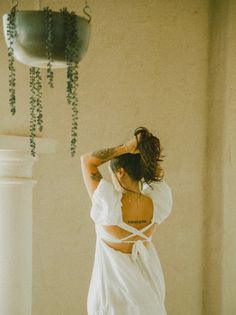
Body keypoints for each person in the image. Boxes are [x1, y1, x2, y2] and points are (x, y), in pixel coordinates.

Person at [80, 126, 173, 315]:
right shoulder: (157, 202)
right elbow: (153, 175)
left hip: (111, 303)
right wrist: (144, 153)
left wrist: (126, 147)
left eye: (112, 173)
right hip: (148, 298)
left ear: (120, 172)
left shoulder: (109, 206)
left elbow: (87, 161)